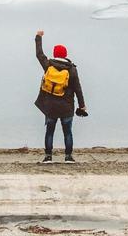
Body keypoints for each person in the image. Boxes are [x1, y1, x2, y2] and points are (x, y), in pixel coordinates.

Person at [33, 30, 87, 163]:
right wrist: (82, 105)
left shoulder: (48, 65)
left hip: (50, 107)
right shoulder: (72, 70)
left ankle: (48, 157)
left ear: (55, 54)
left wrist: (38, 37)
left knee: (49, 131)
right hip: (67, 107)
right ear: (66, 55)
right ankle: (68, 157)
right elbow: (78, 89)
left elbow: (39, 54)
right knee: (67, 132)